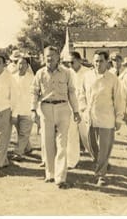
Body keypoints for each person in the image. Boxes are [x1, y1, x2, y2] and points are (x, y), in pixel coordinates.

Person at [31, 46, 81, 189]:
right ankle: (50, 174)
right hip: (46, 109)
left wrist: (76, 111)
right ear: (43, 57)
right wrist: (33, 109)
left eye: (53, 55)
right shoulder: (40, 73)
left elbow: (72, 93)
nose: (50, 58)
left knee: (62, 144)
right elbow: (34, 92)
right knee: (47, 143)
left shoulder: (66, 73)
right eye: (47, 55)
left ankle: (60, 177)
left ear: (58, 57)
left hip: (63, 108)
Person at [79, 50, 125, 187]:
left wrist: (119, 118)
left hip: (107, 117)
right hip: (90, 116)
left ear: (107, 62)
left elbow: (119, 99)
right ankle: (102, 162)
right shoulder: (87, 76)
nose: (98, 64)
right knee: (91, 145)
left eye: (101, 61)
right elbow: (81, 94)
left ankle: (101, 175)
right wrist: (83, 108)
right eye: (96, 61)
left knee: (105, 147)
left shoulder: (112, 79)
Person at [64, 52, 89, 169]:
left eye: (72, 62)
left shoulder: (88, 73)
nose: (70, 64)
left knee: (87, 135)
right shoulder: (67, 73)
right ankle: (72, 161)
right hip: (72, 108)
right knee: (71, 135)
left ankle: (98, 157)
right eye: (68, 62)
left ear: (79, 61)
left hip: (85, 108)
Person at [11, 55, 35, 161]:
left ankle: (18, 153)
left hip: (27, 109)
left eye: (24, 63)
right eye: (19, 63)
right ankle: (28, 148)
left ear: (27, 65)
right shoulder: (13, 77)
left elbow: (35, 93)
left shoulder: (32, 78)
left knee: (24, 132)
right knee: (20, 131)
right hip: (15, 109)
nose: (21, 66)